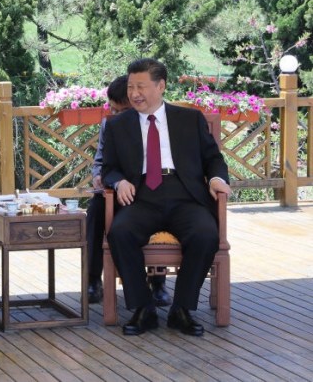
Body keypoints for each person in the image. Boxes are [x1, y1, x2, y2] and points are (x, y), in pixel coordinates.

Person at [102, 58, 231, 337]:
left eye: (141, 87)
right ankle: (143, 308)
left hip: (185, 193)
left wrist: (219, 180)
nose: (134, 93)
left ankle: (181, 309)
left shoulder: (189, 119)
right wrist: (119, 180)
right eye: (131, 87)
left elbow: (214, 159)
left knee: (206, 234)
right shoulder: (117, 125)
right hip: (141, 195)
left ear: (161, 86)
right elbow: (107, 167)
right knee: (120, 233)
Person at [86, 76, 172, 308]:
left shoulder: (157, 123)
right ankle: (93, 279)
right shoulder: (109, 124)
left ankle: (158, 282)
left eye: (121, 110)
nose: (115, 115)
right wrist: (98, 176)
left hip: (148, 192)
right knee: (95, 208)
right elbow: (100, 161)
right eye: (112, 109)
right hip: (116, 191)